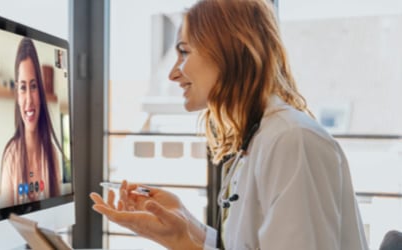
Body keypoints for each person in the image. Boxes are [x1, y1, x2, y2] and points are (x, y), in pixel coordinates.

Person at [90, 0, 368, 249]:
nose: (174, 74)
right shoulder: (258, 138)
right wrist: (183, 227)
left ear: (228, 49)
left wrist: (185, 243)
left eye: (184, 52)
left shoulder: (291, 140)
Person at [1, 37, 61, 206]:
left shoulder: (52, 155)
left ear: (40, 93)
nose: (29, 99)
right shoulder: (10, 158)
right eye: (23, 87)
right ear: (17, 96)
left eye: (33, 86)